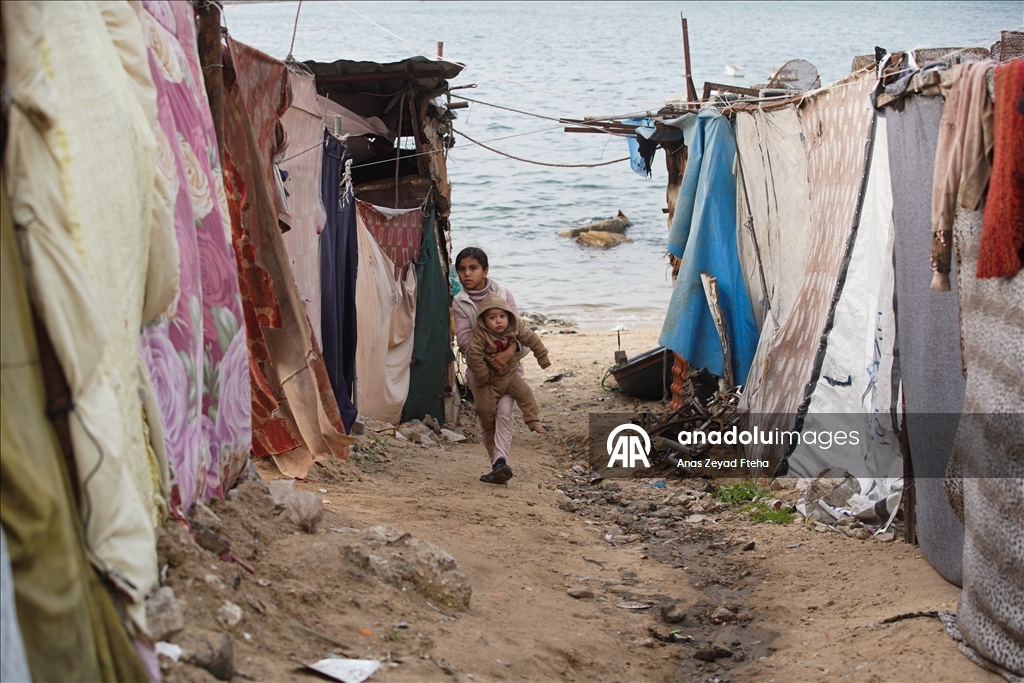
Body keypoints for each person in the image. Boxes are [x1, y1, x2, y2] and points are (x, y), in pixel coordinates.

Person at [453, 247, 536, 484]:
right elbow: (464, 339)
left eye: (473, 268)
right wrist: (489, 355)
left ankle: (501, 461)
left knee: (504, 411)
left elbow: (519, 329)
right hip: (481, 374)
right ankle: (497, 467)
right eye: (462, 269)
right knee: (487, 419)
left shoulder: (502, 293)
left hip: (509, 371)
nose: (467, 274)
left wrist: (508, 351)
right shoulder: (460, 302)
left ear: (485, 270)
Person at [467, 292, 550, 439]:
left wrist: (542, 356)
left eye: (502, 316)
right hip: (490, 380)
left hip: (511, 376)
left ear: (508, 316)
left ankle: (533, 421)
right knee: (484, 409)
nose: (499, 321)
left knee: (526, 395)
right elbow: (474, 356)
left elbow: (531, 338)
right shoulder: (480, 333)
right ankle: (490, 431)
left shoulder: (514, 326)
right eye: (492, 318)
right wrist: (484, 375)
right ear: (483, 320)